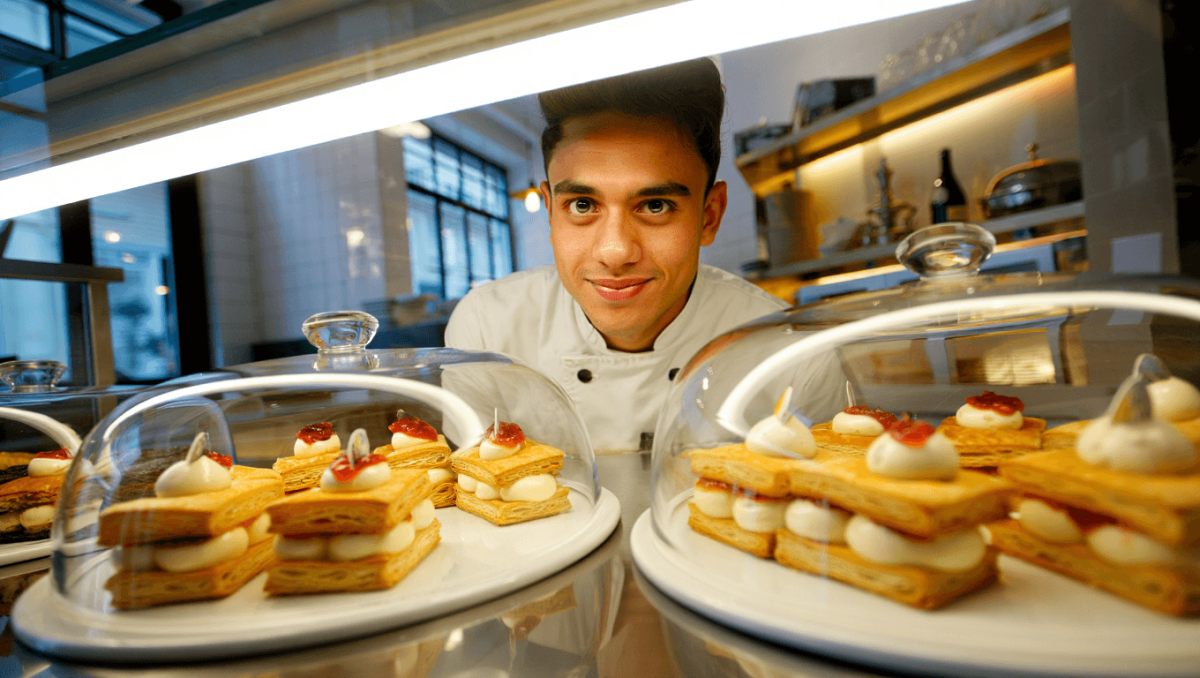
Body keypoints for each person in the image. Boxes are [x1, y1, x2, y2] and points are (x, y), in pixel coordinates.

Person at [444, 58, 789, 452]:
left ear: (709, 216)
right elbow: (473, 495)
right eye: (582, 205)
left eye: (656, 205)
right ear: (550, 211)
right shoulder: (487, 332)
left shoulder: (785, 352)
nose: (615, 252)